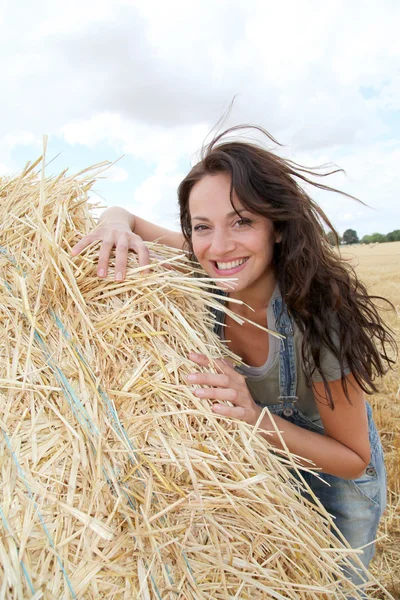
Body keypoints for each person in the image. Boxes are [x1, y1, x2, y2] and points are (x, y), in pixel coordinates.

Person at [71, 125, 396, 587]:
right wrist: (114, 224)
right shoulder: (206, 269)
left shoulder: (321, 321)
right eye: (202, 227)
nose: (219, 246)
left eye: (241, 221)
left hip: (336, 481)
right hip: (262, 472)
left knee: (333, 587)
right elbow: (125, 216)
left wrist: (251, 417)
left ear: (277, 228)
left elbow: (352, 459)